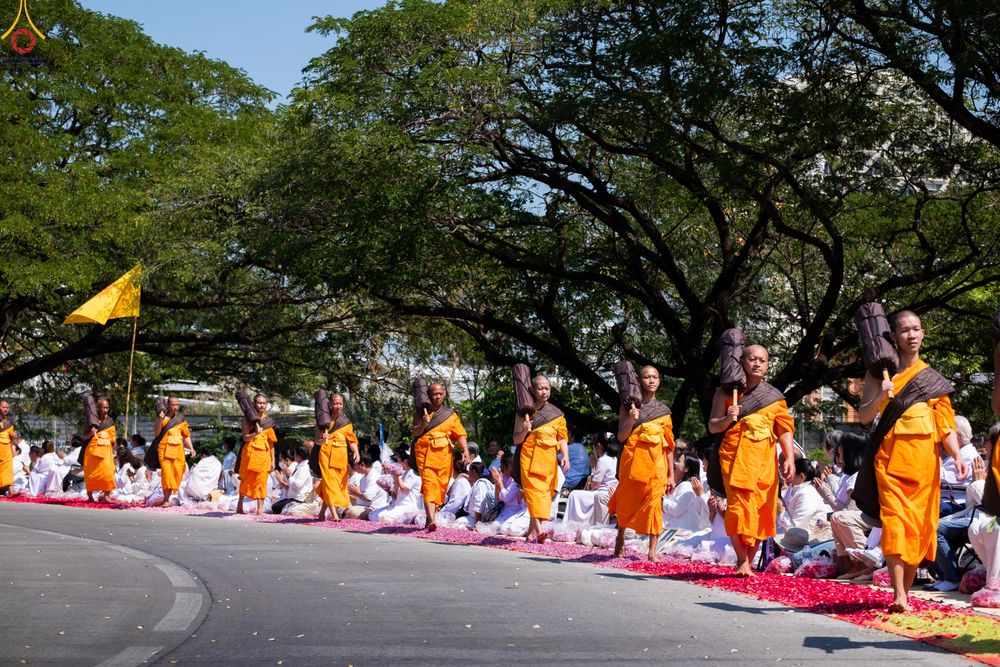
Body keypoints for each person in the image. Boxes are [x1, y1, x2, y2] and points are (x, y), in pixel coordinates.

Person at [856, 310, 968, 612]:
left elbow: (945, 425)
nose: (912, 335)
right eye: (905, 330)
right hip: (890, 464)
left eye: (916, 329)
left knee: (918, 528)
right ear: (893, 335)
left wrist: (956, 455)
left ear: (923, 333)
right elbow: (865, 417)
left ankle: (903, 593)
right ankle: (899, 595)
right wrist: (881, 394)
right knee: (895, 524)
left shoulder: (932, 379)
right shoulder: (879, 372)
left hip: (924, 466)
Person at [708, 344, 795, 577]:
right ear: (742, 362)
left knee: (761, 510)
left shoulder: (774, 397)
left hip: (764, 462)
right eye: (752, 359)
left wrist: (789, 457)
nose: (757, 363)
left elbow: (784, 429)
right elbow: (713, 426)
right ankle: (740, 559)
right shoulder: (726, 392)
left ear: (767, 365)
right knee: (737, 507)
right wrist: (728, 418)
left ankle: (748, 559)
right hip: (734, 458)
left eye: (762, 360)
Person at [608, 366, 676, 561]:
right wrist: (630, 418)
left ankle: (652, 551)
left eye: (655, 377)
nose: (651, 380)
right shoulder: (628, 406)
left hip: (657, 466)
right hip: (633, 463)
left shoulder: (664, 411)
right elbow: (622, 436)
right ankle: (620, 537)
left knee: (655, 505)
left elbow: (669, 445)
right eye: (647, 377)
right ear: (639, 380)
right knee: (627, 501)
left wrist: (671, 474)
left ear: (659, 380)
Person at [513, 376, 569, 543]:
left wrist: (565, 456)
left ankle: (531, 534)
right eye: (540, 388)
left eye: (547, 388)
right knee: (533, 493)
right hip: (529, 459)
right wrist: (524, 430)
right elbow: (516, 440)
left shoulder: (557, 414)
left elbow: (562, 438)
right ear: (532, 390)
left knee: (544, 495)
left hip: (548, 461)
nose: (544, 392)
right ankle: (539, 531)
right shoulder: (524, 412)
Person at [412, 383, 471, 532]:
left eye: (440, 393)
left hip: (444, 456)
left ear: (444, 394)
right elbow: (415, 433)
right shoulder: (421, 412)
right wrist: (423, 424)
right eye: (434, 394)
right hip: (425, 455)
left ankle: (429, 518)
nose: (438, 396)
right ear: (428, 395)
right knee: (429, 485)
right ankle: (432, 520)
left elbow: (460, 434)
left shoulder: (450, 414)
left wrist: (465, 450)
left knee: (440, 487)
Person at [316, 394, 360, 522]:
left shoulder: (345, 423)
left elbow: (351, 440)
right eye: (335, 403)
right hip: (326, 455)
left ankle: (322, 512)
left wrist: (356, 451)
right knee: (330, 484)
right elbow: (317, 441)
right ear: (330, 404)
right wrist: (322, 439)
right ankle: (334, 513)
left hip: (340, 457)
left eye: (340, 403)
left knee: (336, 485)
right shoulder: (323, 420)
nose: (338, 406)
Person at [563, 432, 619, 526]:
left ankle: (572, 526)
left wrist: (593, 467)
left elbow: (595, 484)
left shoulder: (603, 460)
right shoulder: (616, 459)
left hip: (603, 493)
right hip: (612, 492)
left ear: (598, 445)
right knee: (577, 494)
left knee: (574, 494)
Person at [236, 394, 278, 515]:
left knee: (261, 481)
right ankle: (240, 506)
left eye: (264, 403)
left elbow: (271, 444)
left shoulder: (268, 422)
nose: (262, 405)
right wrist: (255, 433)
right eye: (259, 403)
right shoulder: (246, 420)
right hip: (249, 454)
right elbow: (245, 438)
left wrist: (273, 460)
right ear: (254, 404)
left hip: (264, 456)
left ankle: (260, 509)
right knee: (246, 480)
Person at [777, 458, 832, 542]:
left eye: (792, 471)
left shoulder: (807, 493)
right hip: (798, 542)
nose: (788, 473)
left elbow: (796, 529)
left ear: (801, 476)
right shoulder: (797, 489)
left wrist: (782, 512)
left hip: (809, 544)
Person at [153, 397, 195, 507]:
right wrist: (159, 420)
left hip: (178, 450)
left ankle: (167, 497)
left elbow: (186, 436)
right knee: (167, 473)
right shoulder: (162, 417)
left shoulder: (181, 419)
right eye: (173, 405)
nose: (175, 407)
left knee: (176, 473)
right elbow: (157, 433)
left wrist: (191, 448)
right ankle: (166, 499)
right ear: (167, 405)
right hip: (165, 449)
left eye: (177, 404)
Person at [371, 446, 424, 524]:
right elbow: (395, 496)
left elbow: (404, 490)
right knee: (373, 515)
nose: (397, 463)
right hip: (398, 505)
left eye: (398, 461)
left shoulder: (413, 473)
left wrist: (397, 475)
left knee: (382, 517)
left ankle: (409, 519)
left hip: (409, 507)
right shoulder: (404, 473)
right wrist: (388, 488)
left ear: (405, 462)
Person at [662, 453, 709, 532]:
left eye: (678, 461)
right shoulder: (682, 484)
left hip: (682, 531)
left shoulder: (686, 485)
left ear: (686, 469)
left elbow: (677, 509)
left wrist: (660, 499)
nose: (674, 463)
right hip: (680, 530)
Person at [83, 398, 117, 503]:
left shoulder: (110, 421)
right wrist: (91, 433)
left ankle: (106, 495)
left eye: (107, 408)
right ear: (97, 408)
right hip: (92, 451)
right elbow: (84, 436)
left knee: (108, 473)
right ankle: (90, 496)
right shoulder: (91, 420)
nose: (106, 410)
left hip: (106, 451)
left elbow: (113, 438)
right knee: (91, 474)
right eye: (103, 408)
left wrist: (106, 437)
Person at [345, 451, 389, 520]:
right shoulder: (364, 476)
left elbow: (368, 498)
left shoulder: (374, 476)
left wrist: (356, 492)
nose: (354, 468)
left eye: (354, 466)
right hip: (362, 506)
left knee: (350, 511)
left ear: (362, 465)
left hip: (372, 508)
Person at [271, 446, 314, 514]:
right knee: (275, 506)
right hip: (292, 497)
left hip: (299, 499)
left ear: (299, 456)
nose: (293, 456)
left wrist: (289, 476)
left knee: (276, 507)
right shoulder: (299, 467)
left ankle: (299, 506)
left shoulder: (304, 469)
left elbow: (297, 485)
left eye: (295, 454)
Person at [0, 400, 20, 495]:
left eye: (7, 408)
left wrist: (11, 448)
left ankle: (11, 491)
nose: (5, 409)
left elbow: (11, 437)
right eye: (3, 407)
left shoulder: (9, 421)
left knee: (8, 469)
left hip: (6, 448)